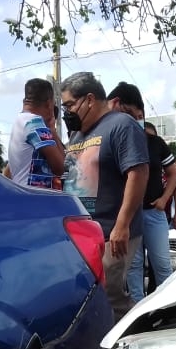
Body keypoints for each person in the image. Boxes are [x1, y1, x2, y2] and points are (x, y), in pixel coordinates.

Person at [60, 72, 149, 320]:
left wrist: (122, 225)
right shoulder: (77, 136)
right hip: (82, 233)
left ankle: (132, 339)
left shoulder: (122, 125)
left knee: (109, 294)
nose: (66, 113)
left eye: (69, 105)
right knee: (89, 297)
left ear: (89, 99)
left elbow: (138, 173)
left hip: (113, 233)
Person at [105, 82, 176, 303]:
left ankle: (166, 309)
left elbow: (173, 173)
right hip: (130, 217)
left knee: (162, 265)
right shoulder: (117, 139)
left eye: (139, 116)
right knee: (134, 269)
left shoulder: (155, 143)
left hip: (154, 214)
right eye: (133, 115)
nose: (135, 120)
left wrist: (164, 199)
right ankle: (139, 312)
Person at [5, 78, 66, 189]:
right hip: (34, 197)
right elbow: (60, 167)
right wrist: (52, 130)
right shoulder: (35, 123)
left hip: (22, 193)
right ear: (49, 104)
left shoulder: (20, 121)